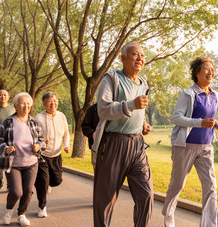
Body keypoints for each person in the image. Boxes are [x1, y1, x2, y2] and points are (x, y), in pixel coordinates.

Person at [92, 42, 153, 227]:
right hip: (113, 144)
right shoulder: (111, 78)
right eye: (135, 54)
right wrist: (131, 105)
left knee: (146, 195)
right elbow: (103, 110)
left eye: (142, 55)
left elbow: (136, 110)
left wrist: (142, 124)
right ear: (123, 58)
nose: (140, 58)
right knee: (105, 200)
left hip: (137, 145)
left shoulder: (144, 83)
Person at [162, 56, 218, 227]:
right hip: (185, 147)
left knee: (211, 187)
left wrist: (216, 124)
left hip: (206, 147)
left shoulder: (215, 95)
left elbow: (210, 116)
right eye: (206, 68)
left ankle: (209, 225)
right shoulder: (188, 94)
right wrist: (200, 123)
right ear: (197, 72)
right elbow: (176, 118)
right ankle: (168, 214)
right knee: (177, 185)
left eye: (212, 69)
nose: (211, 72)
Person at [0, 92, 46, 226]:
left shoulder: (34, 122)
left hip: (31, 162)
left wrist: (38, 147)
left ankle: (21, 214)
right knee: (16, 192)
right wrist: (5, 148)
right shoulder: (8, 122)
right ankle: (9, 210)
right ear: (16, 106)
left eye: (28, 104)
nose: (26, 106)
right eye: (23, 103)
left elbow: (42, 141)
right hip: (13, 163)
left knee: (28, 190)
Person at [34, 92, 70, 218]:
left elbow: (66, 133)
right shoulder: (38, 118)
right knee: (42, 183)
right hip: (42, 155)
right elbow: (33, 136)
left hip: (57, 155)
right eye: (49, 101)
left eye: (54, 101)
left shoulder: (61, 116)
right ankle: (42, 207)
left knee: (57, 180)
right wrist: (42, 142)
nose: (52, 103)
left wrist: (66, 145)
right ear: (44, 104)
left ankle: (48, 183)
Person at [81, 103, 99, 170]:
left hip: (112, 147)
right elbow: (85, 126)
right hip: (96, 147)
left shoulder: (115, 108)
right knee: (98, 173)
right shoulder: (93, 109)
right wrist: (92, 134)